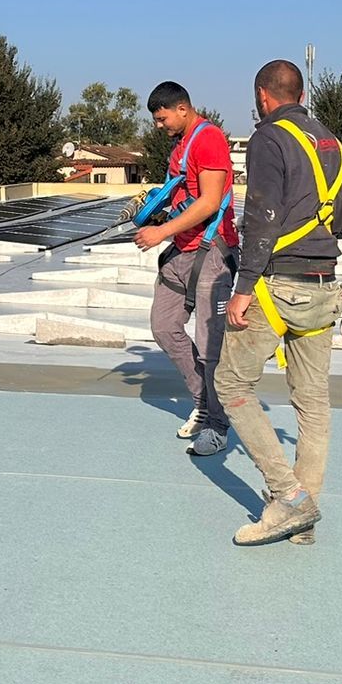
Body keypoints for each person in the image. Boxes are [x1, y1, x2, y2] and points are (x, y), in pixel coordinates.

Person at [213, 59, 342, 546]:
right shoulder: (331, 142)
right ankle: (305, 514)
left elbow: (262, 216)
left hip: (279, 285)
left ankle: (289, 497)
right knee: (312, 403)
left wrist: (243, 286)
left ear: (262, 96)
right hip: (325, 285)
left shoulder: (268, 139)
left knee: (231, 383)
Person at [135, 81, 240, 455]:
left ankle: (218, 424)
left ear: (182, 108)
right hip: (182, 251)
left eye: (162, 118)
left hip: (211, 252)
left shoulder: (208, 139)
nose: (159, 126)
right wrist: (153, 213)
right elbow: (184, 195)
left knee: (212, 348)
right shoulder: (181, 145)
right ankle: (204, 402)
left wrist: (160, 231)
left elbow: (211, 201)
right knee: (164, 327)